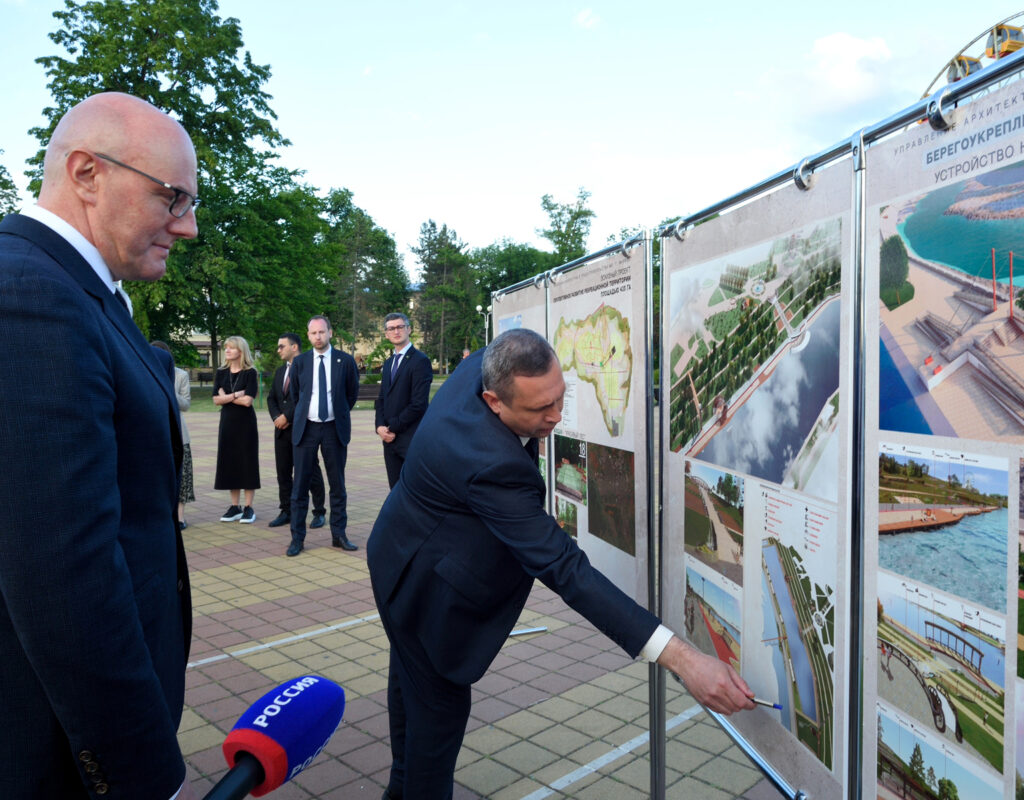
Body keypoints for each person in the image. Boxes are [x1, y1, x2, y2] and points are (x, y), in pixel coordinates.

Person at [367, 329, 754, 800]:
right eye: (538, 410)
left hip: (402, 548)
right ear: (493, 400)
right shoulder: (489, 463)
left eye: (559, 398)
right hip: (425, 590)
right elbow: (566, 571)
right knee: (435, 722)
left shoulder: (489, 361)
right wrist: (686, 661)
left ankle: (398, 789)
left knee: (408, 697)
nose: (555, 416)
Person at [0, 92, 197, 798]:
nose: (189, 225)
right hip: (57, 745)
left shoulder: (87, 292)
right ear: (86, 173)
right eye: (173, 197)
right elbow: (61, 575)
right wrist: (138, 772)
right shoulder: (30, 293)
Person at [287, 315, 359, 555]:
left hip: (333, 428)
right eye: (313, 333)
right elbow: (297, 397)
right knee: (299, 487)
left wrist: (334, 413)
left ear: (330, 332)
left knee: (337, 485)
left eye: (321, 332)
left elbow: (350, 395)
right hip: (306, 428)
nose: (317, 337)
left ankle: (339, 535)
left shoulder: (345, 361)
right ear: (308, 336)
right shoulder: (300, 362)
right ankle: (297, 538)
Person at [267, 332, 326, 529]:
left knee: (310, 471)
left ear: (294, 347)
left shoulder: (308, 368)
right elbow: (271, 398)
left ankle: (319, 512)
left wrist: (288, 416)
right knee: (283, 472)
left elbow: (305, 396)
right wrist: (277, 417)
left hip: (303, 430)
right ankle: (287, 511)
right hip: (281, 431)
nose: (278, 350)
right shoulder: (279, 371)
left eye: (281, 346)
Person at [375, 312, 432, 488]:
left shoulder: (420, 361)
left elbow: (418, 404)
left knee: (414, 490)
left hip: (410, 438)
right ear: (386, 334)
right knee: (395, 490)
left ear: (409, 329)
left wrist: (391, 427)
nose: (396, 331)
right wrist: (379, 427)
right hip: (389, 440)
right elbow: (382, 398)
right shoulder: (388, 363)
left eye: (400, 327)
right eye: (391, 328)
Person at [213, 335, 260, 523]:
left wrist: (227, 396)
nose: (227, 351)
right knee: (230, 462)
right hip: (227, 423)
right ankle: (235, 507)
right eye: (226, 348)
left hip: (246, 424)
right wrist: (236, 394)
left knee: (247, 462)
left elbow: (248, 401)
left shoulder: (250, 373)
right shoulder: (221, 372)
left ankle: (248, 507)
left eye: (231, 348)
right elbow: (216, 400)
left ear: (241, 351)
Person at [153, 339, 195, 529]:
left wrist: (168, 387)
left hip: (178, 431)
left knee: (182, 474)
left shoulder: (180, 375)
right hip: (155, 432)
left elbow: (185, 404)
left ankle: (180, 517)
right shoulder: (145, 373)